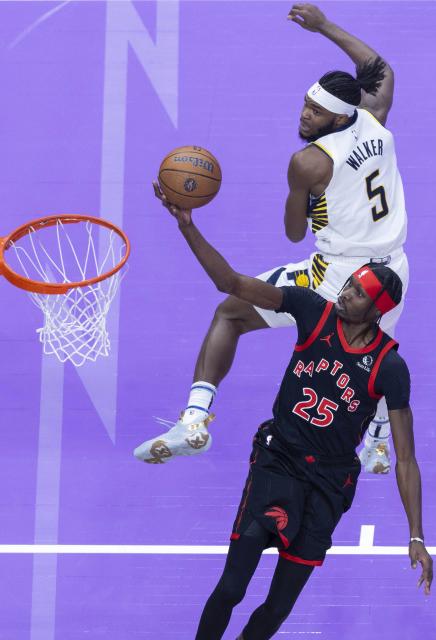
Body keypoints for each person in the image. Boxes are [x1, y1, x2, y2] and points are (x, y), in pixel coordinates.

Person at [140, 188, 432, 639]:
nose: (345, 292)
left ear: (377, 311)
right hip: (278, 461)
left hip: (330, 484)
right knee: (232, 587)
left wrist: (416, 535)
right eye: (349, 283)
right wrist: (188, 227)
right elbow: (232, 285)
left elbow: (407, 459)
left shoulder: (389, 367)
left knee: (276, 608)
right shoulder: (310, 309)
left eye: (356, 293)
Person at [135, 3, 409, 473]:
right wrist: (324, 26)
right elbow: (379, 68)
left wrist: (304, 202)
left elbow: (292, 232)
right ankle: (380, 443)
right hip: (391, 268)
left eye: (316, 113)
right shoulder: (375, 118)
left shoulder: (310, 162)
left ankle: (195, 421)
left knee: (231, 313)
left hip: (339, 275)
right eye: (305, 104)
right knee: (376, 349)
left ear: (339, 118)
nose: (305, 116)